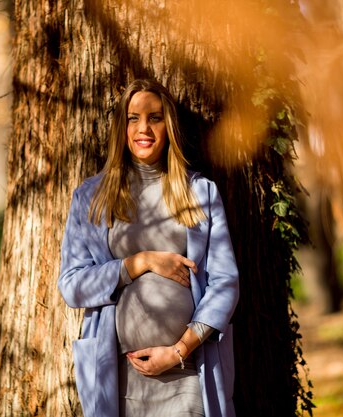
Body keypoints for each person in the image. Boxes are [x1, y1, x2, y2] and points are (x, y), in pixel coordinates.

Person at [58, 78, 239, 417]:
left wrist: (179, 350)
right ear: (121, 127)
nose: (144, 128)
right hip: (118, 378)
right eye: (133, 118)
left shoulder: (200, 193)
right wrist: (139, 263)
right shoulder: (91, 197)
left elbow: (225, 282)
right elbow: (71, 286)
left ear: (168, 126)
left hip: (188, 373)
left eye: (155, 118)